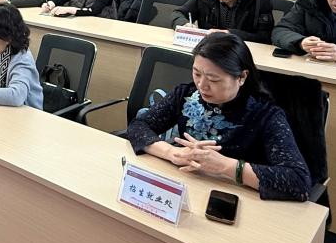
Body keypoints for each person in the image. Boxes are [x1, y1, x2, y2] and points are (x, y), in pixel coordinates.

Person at [125, 32, 311, 201]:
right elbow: (138, 126)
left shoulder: (266, 115)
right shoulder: (186, 94)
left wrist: (226, 166)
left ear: (241, 77)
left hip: (235, 197)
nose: (201, 85)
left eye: (213, 79)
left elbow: (299, 182)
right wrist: (172, 153)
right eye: (197, 73)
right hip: (187, 185)